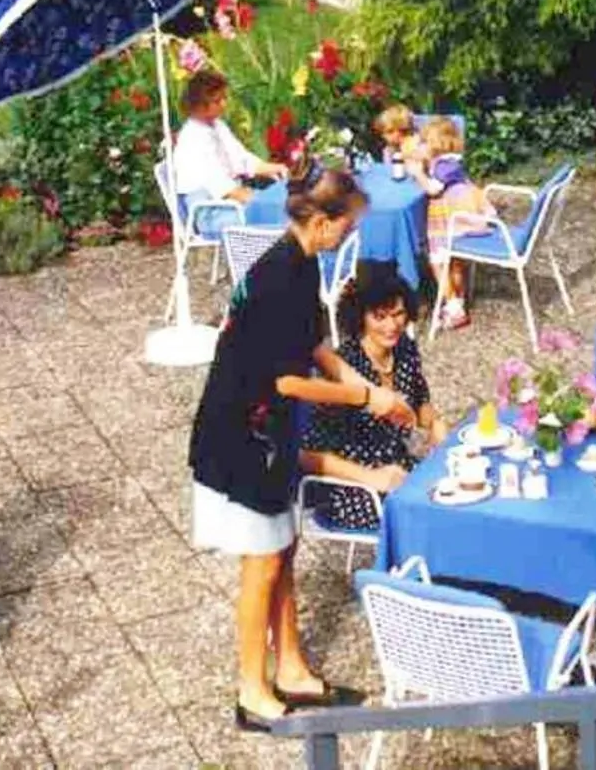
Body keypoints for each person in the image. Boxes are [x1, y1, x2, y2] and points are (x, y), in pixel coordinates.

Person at [188, 163, 404, 731]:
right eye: (349, 224)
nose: (352, 235)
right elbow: (286, 381)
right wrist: (359, 400)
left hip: (271, 432)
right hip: (242, 437)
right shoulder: (278, 277)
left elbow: (312, 343)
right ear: (324, 221)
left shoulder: (301, 262)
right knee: (261, 565)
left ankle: (292, 669)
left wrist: (364, 384)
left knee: (283, 552)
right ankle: (251, 692)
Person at [300, 263, 445, 530]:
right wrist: (372, 477)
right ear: (361, 317)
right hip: (355, 484)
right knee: (430, 511)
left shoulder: (405, 348)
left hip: (403, 463)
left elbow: (420, 398)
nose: (392, 326)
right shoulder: (345, 368)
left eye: (398, 314)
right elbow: (307, 455)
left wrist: (435, 426)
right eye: (380, 317)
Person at [410, 116, 491, 332]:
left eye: (425, 142)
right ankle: (457, 300)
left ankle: (454, 307)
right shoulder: (448, 161)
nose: (422, 146)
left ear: (436, 144)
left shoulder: (445, 166)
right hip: (456, 212)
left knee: (438, 261)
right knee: (453, 260)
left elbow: (433, 189)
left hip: (451, 216)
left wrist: (418, 173)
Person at [173, 67, 289, 215]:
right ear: (200, 105)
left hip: (230, 199)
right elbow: (221, 186)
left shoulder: (217, 125)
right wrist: (262, 202)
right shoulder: (193, 139)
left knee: (284, 202)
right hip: (211, 210)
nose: (224, 104)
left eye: (224, 98)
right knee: (279, 213)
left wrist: (275, 168)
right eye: (217, 100)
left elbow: (241, 158)